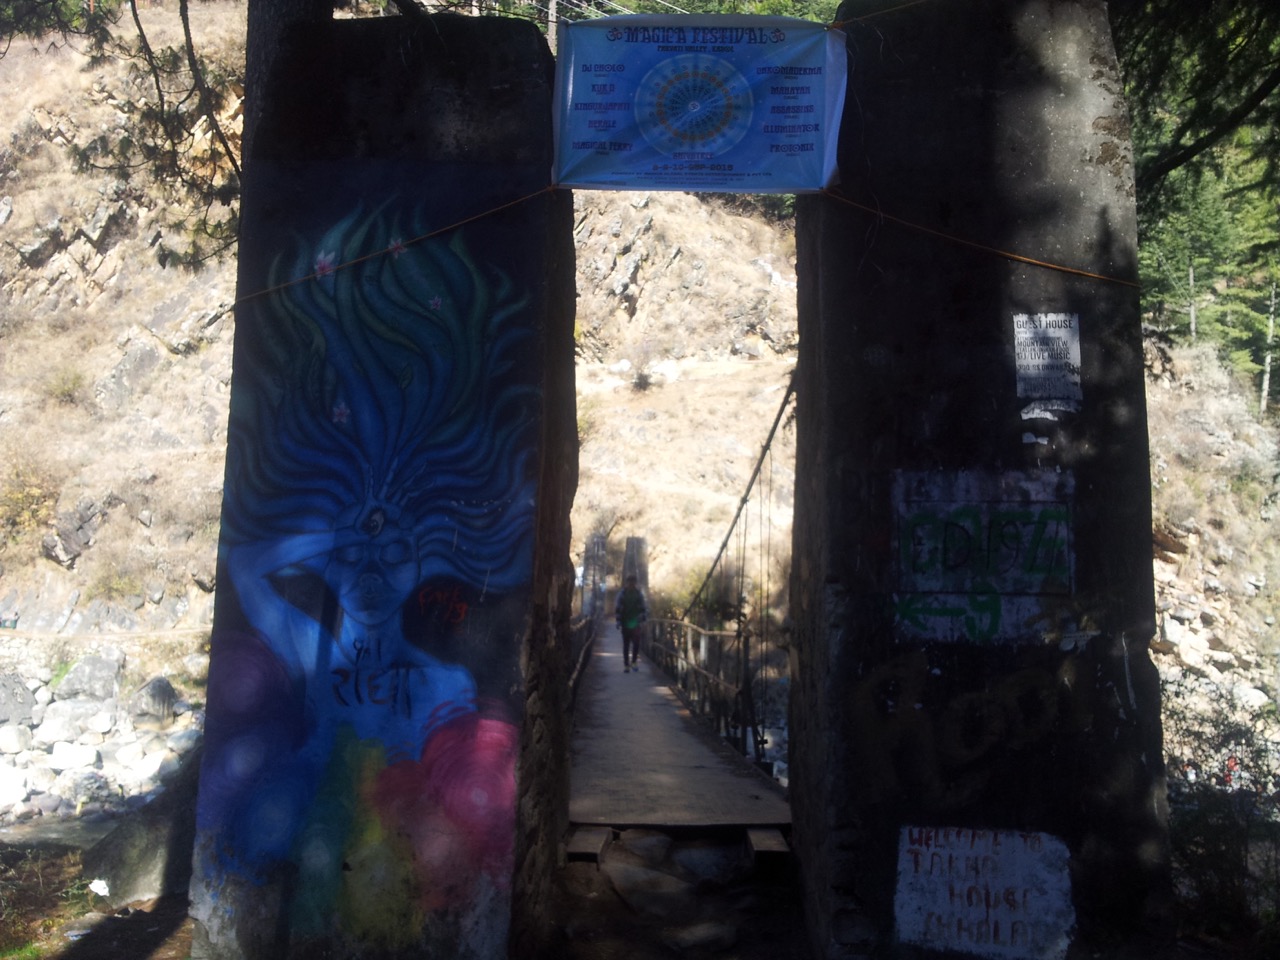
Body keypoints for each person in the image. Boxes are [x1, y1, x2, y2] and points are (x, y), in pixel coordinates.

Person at [615, 574, 647, 672]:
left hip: (636, 623)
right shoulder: (622, 594)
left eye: (633, 582)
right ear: (627, 583)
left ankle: (633, 662)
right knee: (626, 644)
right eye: (630, 582)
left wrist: (643, 619)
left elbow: (643, 608)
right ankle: (626, 665)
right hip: (625, 622)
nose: (631, 584)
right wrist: (618, 621)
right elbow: (618, 608)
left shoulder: (638, 594)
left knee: (636, 644)